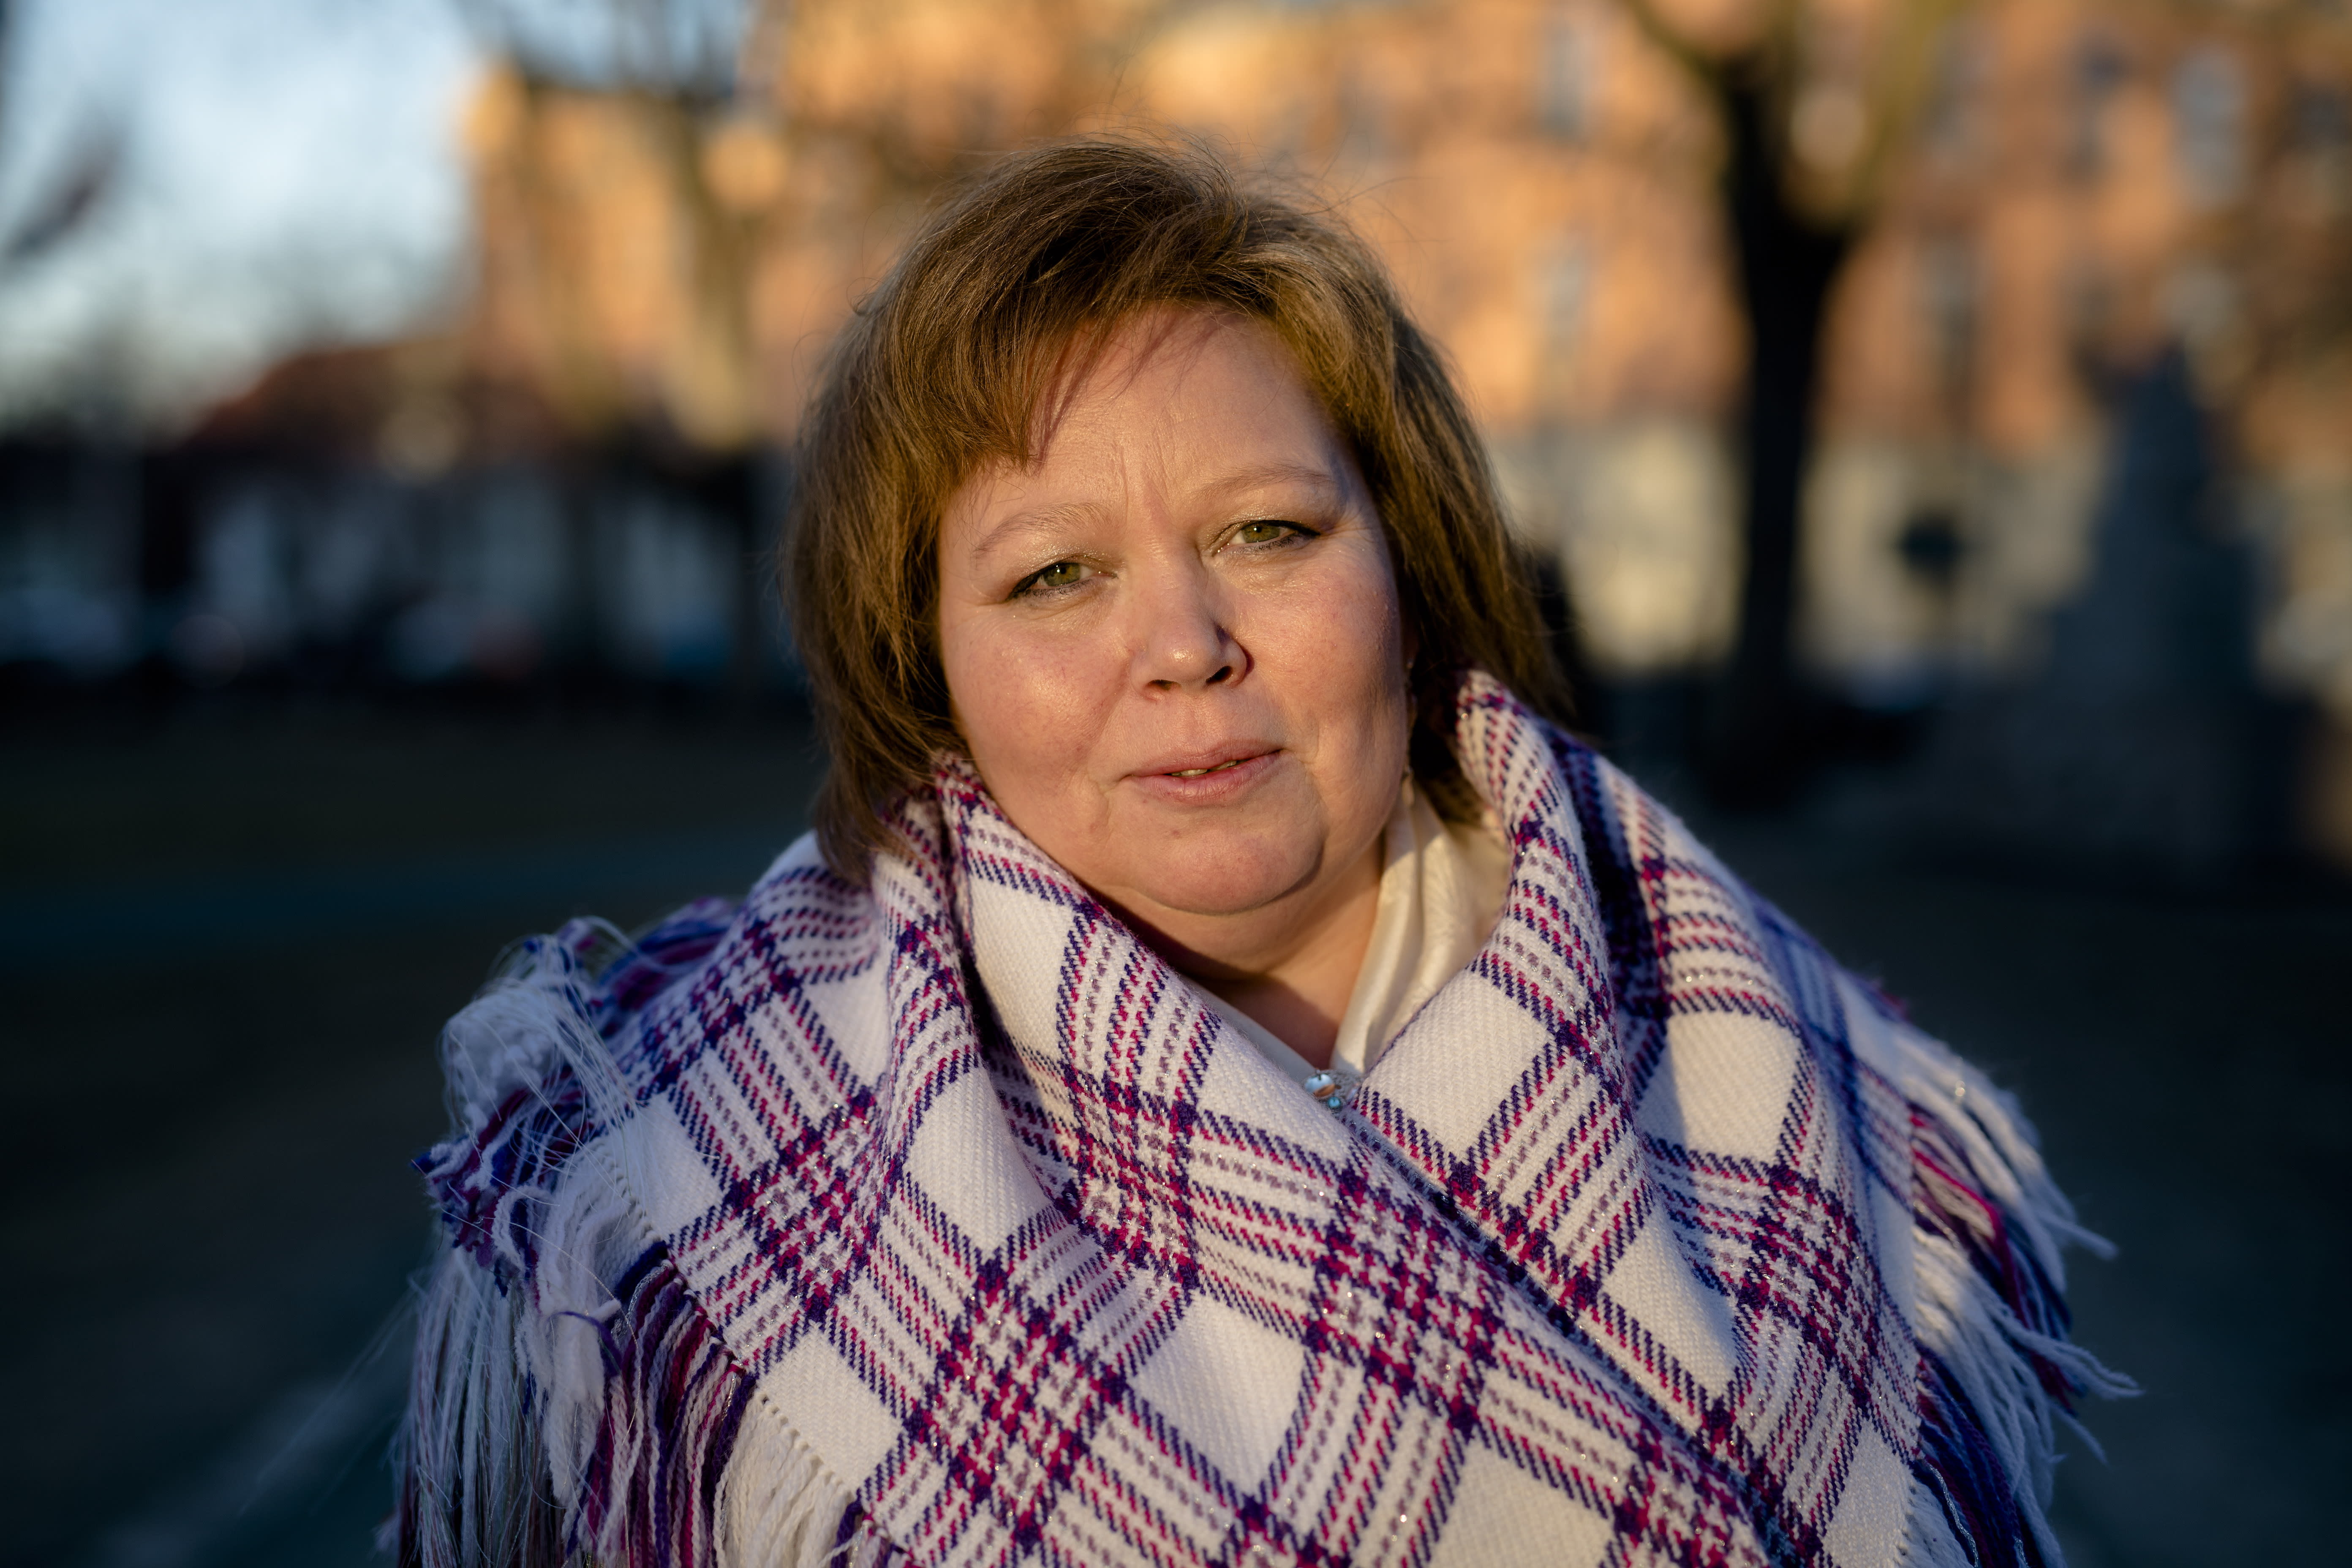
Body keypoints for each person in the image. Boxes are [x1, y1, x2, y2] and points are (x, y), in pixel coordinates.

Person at [398, 139, 2121, 1568]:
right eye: (1053, 574)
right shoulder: (681, 1176)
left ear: (1409, 572)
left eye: (1269, 531)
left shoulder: (1806, 1087)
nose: (1185, 645)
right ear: (928, 670)